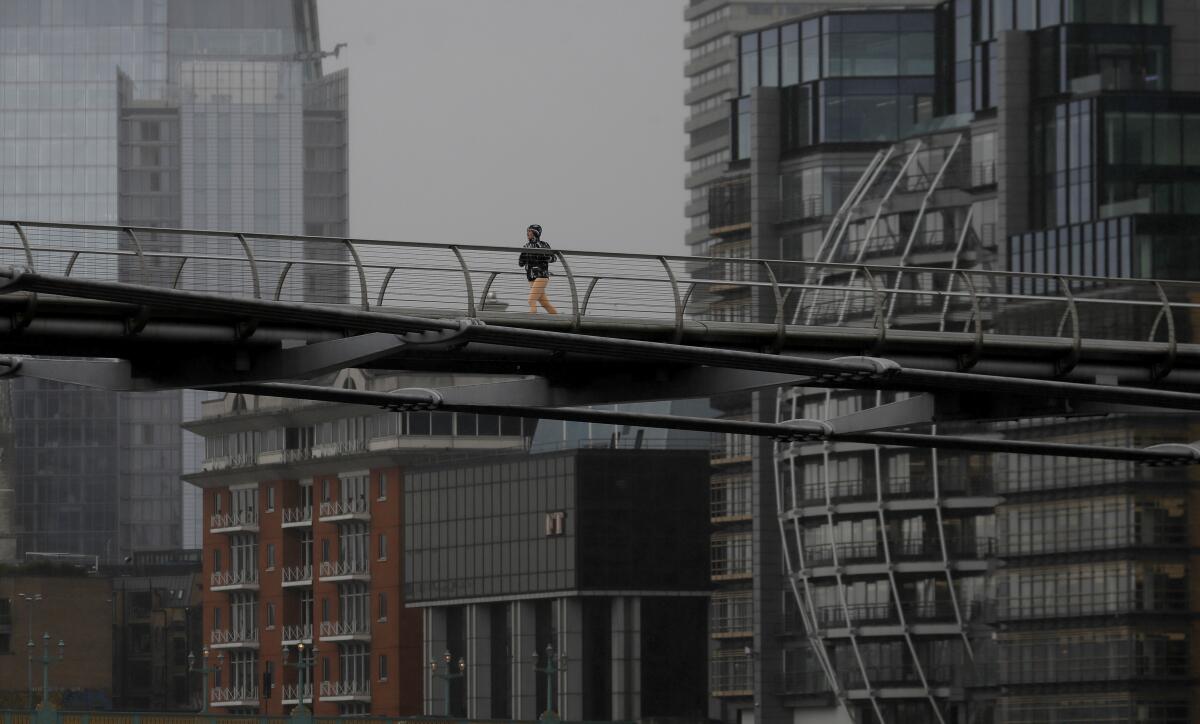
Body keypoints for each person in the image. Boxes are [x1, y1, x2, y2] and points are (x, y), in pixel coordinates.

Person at [518, 223, 558, 314]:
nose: (527, 233)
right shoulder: (526, 246)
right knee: (545, 304)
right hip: (531, 278)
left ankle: (530, 321)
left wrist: (543, 254)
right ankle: (557, 320)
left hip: (541, 276)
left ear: (535, 232)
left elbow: (553, 258)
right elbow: (520, 263)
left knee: (531, 300)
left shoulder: (543, 244)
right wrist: (523, 255)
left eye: (529, 231)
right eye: (527, 231)